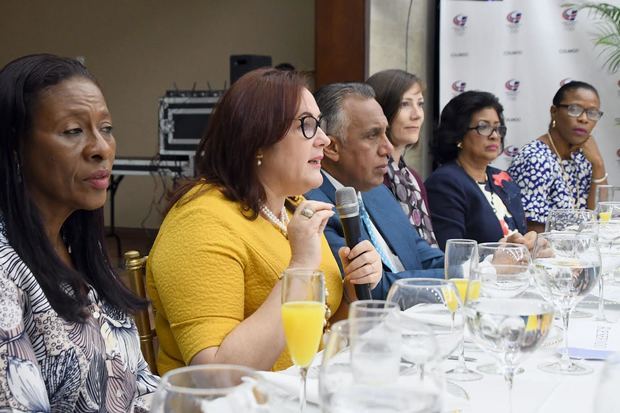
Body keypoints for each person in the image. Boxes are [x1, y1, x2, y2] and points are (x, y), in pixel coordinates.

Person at [146, 69, 381, 374]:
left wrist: (350, 294)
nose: (324, 139)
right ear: (257, 140)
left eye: (319, 125)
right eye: (307, 126)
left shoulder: (292, 209)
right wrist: (299, 269)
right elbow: (216, 376)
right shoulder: (200, 222)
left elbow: (315, 335)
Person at [0, 54, 159, 412]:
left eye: (105, 128)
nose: (101, 148)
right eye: (73, 131)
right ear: (14, 147)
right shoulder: (5, 271)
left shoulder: (77, 245)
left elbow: (139, 384)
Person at [306, 82, 446, 300]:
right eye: (372, 135)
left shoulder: (376, 190)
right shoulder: (313, 207)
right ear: (331, 147)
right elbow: (371, 290)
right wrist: (464, 278)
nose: (388, 148)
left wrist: (480, 266)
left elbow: (422, 255)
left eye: (386, 133)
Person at [426, 91, 528, 250]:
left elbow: (519, 234)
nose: (495, 136)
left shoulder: (502, 178)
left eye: (497, 128)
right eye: (483, 127)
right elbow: (452, 253)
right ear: (459, 134)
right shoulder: (445, 183)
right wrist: (495, 256)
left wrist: (532, 243)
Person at [508, 81, 607, 232]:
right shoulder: (535, 158)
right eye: (575, 109)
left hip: (580, 249)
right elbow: (531, 231)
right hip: (545, 253)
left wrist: (598, 164)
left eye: (592, 113)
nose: (584, 119)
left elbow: (601, 218)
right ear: (554, 112)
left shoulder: (584, 157)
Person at [366, 69, 438, 247]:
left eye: (420, 104)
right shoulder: (369, 178)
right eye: (405, 104)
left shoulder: (412, 178)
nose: (417, 114)